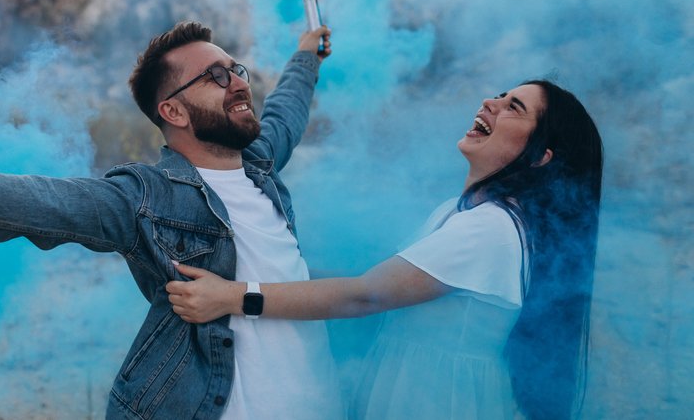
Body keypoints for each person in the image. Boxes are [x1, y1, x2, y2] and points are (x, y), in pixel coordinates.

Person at [0, 21, 344, 420]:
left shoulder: (258, 166)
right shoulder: (145, 197)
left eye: (238, 70)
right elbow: (30, 203)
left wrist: (305, 56)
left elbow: (285, 113)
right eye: (217, 76)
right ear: (174, 112)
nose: (239, 83)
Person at [167, 80, 603, 420]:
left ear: (541, 157)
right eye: (501, 95)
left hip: (436, 403)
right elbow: (376, 283)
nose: (491, 102)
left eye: (515, 108)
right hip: (413, 390)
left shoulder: (491, 229)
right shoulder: (460, 212)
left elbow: (366, 294)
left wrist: (234, 296)